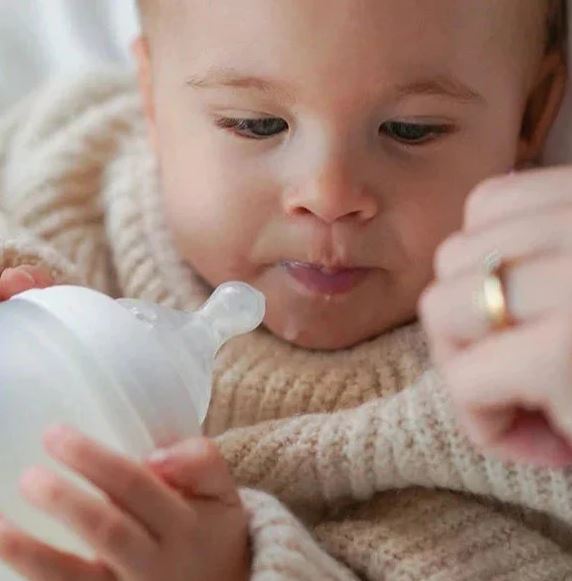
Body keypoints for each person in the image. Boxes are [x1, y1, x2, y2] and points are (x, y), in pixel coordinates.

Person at [0, 0, 571, 579]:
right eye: (255, 124)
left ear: (530, 116)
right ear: (150, 94)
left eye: (411, 130)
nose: (328, 195)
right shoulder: (73, 167)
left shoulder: (514, 390)